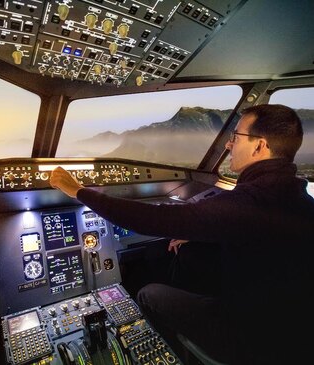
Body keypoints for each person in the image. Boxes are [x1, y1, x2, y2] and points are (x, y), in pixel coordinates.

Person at [50, 104, 314, 364]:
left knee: (149, 293)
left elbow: (152, 219)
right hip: (294, 327)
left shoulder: (251, 201)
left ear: (259, 146)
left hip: (255, 341)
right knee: (191, 252)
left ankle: (166, 354)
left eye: (235, 136)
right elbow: (255, 237)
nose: (228, 145)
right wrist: (200, 232)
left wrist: (78, 191)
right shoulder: (300, 199)